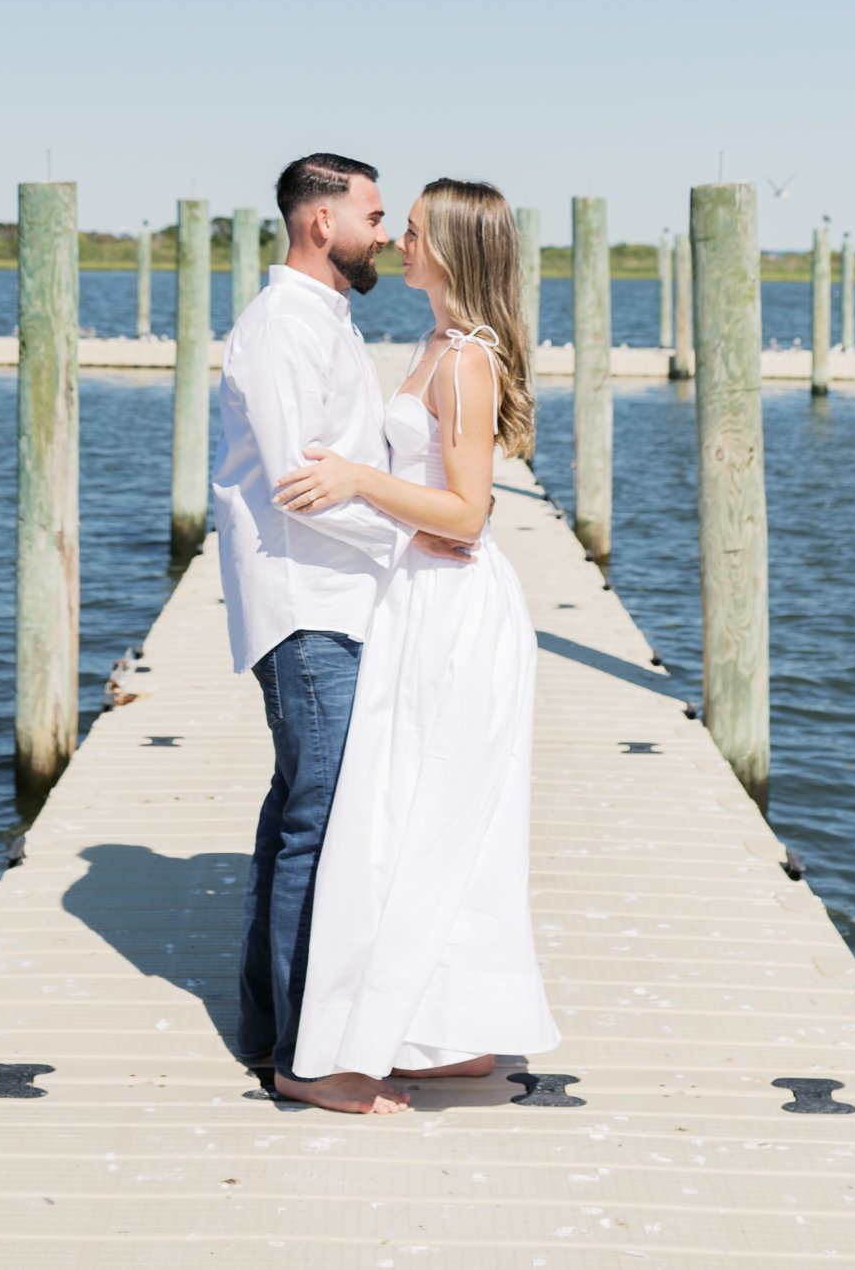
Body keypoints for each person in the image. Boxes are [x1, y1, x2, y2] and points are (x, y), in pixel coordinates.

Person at [274, 177, 560, 1085]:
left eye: (411, 232)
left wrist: (358, 480)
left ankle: (404, 1034)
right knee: (407, 814)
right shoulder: (433, 344)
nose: (396, 241)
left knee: (420, 818)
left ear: (452, 248)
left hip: (454, 609)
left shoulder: (466, 358)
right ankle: (453, 1035)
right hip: (418, 595)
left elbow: (467, 515)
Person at [216, 152, 456, 1116]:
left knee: (295, 817)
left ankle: (272, 1031)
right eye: (372, 215)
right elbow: (298, 482)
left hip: (337, 597)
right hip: (308, 604)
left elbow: (338, 467)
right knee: (317, 824)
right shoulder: (281, 328)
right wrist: (420, 529)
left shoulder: (327, 320)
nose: (387, 234)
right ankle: (308, 1063)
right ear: (320, 223)